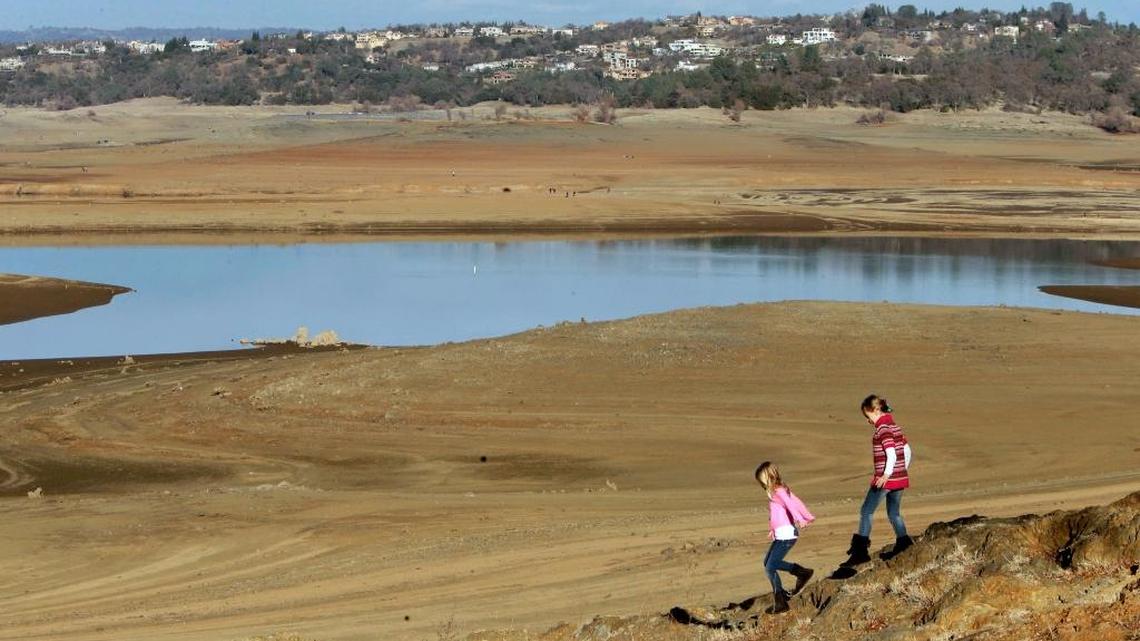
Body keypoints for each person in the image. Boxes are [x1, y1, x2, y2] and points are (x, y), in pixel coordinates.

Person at [839, 394, 914, 569]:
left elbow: (892, 453)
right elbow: (907, 450)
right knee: (894, 513)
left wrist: (887, 475)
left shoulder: (883, 429)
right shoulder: (895, 426)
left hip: (885, 480)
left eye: (868, 416)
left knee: (866, 511)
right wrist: (902, 470)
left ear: (876, 410)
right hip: (900, 478)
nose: (868, 421)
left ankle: (860, 553)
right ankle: (904, 543)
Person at [755, 462, 815, 614]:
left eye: (763, 478)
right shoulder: (774, 491)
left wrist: (800, 519)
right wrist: (773, 529)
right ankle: (795, 579)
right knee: (767, 563)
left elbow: (791, 505)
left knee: (770, 566)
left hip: (787, 535)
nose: (762, 482)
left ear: (770, 475)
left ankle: (782, 599)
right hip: (781, 534)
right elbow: (779, 513)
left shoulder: (779, 490)